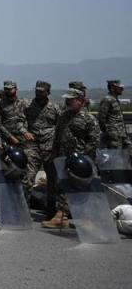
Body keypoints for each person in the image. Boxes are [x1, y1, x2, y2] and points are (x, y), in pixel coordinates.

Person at [42, 88, 100, 229]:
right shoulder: (64, 116)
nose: (67, 102)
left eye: (70, 100)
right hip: (64, 158)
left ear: (80, 101)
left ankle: (87, 219)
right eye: (66, 99)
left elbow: (94, 141)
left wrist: (83, 157)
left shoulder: (89, 119)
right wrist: (54, 152)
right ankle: (61, 217)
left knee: (83, 190)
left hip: (81, 163)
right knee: (62, 187)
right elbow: (58, 135)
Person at [24, 80, 60, 206]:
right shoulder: (28, 105)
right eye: (37, 90)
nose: (38, 93)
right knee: (28, 177)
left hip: (49, 147)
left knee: (52, 178)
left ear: (48, 92)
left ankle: (51, 207)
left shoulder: (54, 108)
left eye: (41, 91)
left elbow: (60, 126)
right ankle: (24, 206)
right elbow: (19, 121)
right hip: (32, 146)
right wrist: (24, 131)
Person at [0, 81, 32, 148]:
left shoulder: (24, 102)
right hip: (7, 140)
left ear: (16, 89)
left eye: (10, 89)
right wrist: (11, 137)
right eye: (6, 89)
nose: (8, 91)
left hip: (23, 139)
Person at [98, 80, 129, 149]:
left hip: (121, 134)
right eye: (119, 87)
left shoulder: (115, 99)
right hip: (113, 136)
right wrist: (109, 132)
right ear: (112, 88)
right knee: (115, 156)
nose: (122, 89)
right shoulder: (107, 100)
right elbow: (101, 118)